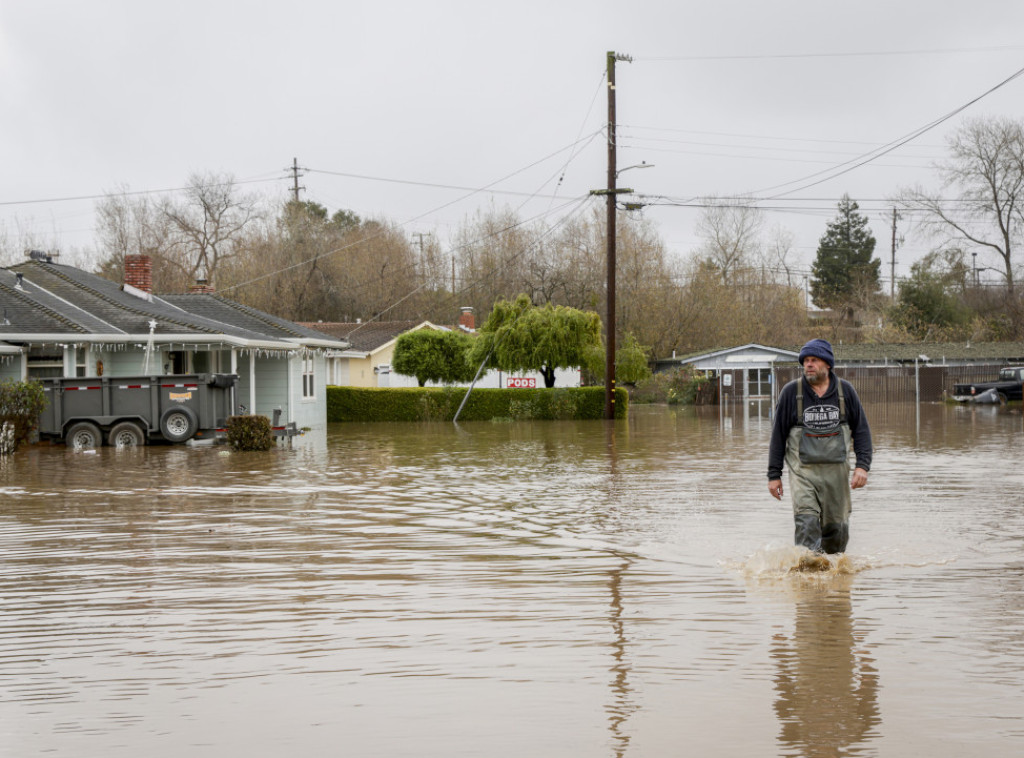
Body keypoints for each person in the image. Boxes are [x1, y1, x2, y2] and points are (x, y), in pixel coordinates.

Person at [767, 339, 872, 554]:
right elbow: (778, 436)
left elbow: (861, 430)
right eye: (805, 361)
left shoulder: (845, 392)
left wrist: (863, 466)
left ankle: (833, 581)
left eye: (814, 360)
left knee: (837, 534)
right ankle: (808, 582)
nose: (808, 365)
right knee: (807, 526)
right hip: (803, 474)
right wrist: (773, 475)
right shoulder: (790, 392)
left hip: (837, 477)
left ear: (828, 364)